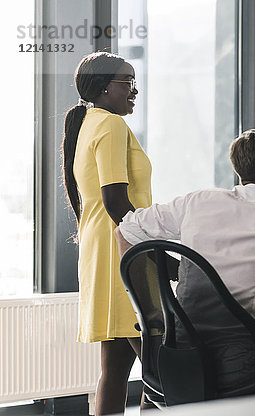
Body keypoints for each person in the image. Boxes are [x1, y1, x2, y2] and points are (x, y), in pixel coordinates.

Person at [114, 127, 255, 393]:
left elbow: (124, 232)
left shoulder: (199, 201)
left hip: (180, 361)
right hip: (246, 367)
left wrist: (150, 309)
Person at [62, 52, 152, 415]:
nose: (135, 90)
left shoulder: (89, 123)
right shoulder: (111, 125)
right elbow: (116, 200)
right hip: (122, 252)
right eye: (127, 82)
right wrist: (156, 249)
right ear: (103, 88)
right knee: (165, 368)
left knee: (114, 369)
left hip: (104, 251)